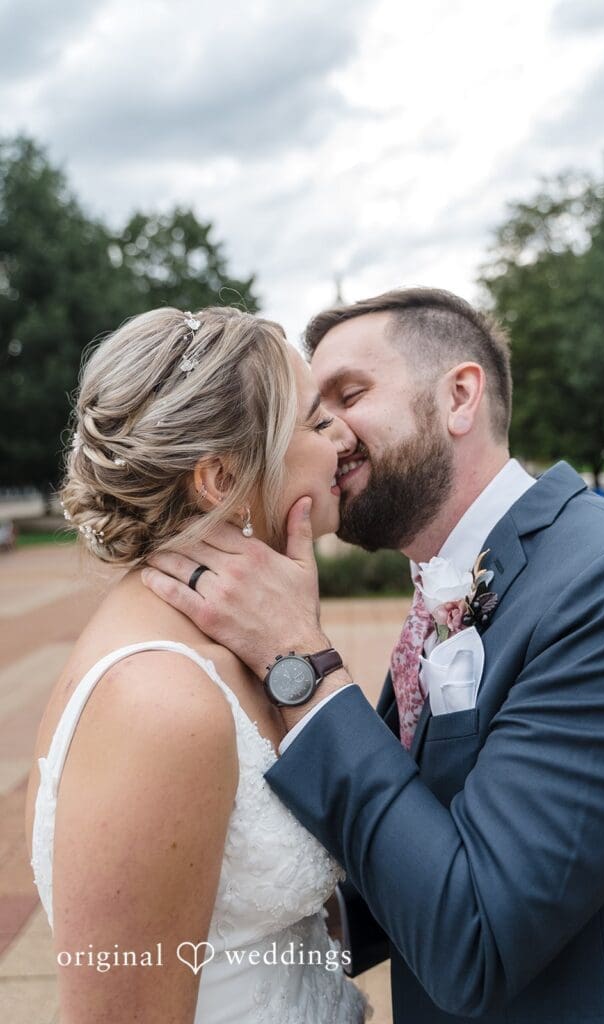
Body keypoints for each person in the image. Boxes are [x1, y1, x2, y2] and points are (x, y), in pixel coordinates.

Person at [144, 288, 604, 1024]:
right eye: (311, 411)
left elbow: (475, 937)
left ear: (460, 396)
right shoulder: (444, 582)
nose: (325, 431)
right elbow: (416, 851)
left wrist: (299, 660)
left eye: (348, 394)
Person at [25, 306, 370, 1024]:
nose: (342, 437)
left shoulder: (244, 642)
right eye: (313, 422)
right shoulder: (159, 703)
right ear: (222, 478)